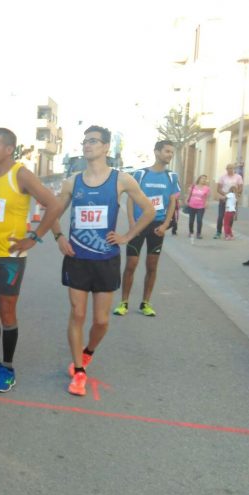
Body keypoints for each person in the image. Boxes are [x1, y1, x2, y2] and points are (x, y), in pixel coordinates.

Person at [51, 125, 155, 396]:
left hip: (106, 259)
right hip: (77, 257)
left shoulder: (121, 180)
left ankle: (88, 352)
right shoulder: (72, 181)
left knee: (101, 321)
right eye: (85, 141)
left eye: (94, 141)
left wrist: (128, 236)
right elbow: (52, 210)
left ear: (106, 147)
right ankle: (79, 372)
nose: (87, 145)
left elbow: (148, 210)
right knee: (78, 313)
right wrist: (59, 237)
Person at [0, 128, 61, 392]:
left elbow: (54, 204)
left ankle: (8, 368)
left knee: (6, 312)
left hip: (10, 259)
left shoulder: (21, 174)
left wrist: (34, 238)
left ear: (8, 149)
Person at [113, 140, 180, 318]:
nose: (170, 155)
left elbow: (173, 202)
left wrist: (166, 224)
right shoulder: (140, 174)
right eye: (167, 151)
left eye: (172, 152)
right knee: (131, 264)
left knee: (152, 265)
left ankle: (145, 303)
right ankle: (123, 303)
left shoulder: (172, 177)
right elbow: (130, 199)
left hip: (157, 225)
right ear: (157, 152)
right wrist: (131, 222)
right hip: (139, 224)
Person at [214, 163, 243, 239]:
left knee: (230, 217)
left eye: (231, 168)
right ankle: (218, 232)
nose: (230, 170)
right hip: (223, 199)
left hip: (232, 201)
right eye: (228, 168)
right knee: (220, 216)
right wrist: (226, 194)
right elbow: (218, 189)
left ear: (234, 169)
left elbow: (240, 188)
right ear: (226, 169)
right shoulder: (222, 177)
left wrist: (236, 194)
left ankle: (228, 233)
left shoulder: (238, 177)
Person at [185, 175, 209, 241]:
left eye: (205, 179)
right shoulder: (193, 186)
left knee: (199, 220)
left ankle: (198, 233)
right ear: (199, 179)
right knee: (191, 220)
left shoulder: (206, 188)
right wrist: (186, 200)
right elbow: (189, 194)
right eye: (202, 178)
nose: (204, 180)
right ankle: (191, 232)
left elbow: (206, 197)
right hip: (192, 205)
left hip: (201, 206)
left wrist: (206, 203)